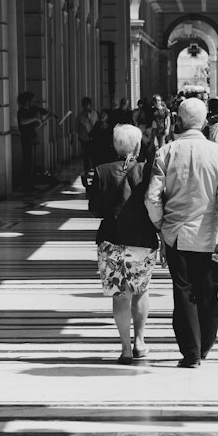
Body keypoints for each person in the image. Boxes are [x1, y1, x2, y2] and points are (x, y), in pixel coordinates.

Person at [144, 95, 218, 368]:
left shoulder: (165, 152)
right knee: (208, 292)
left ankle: (191, 353)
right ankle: (205, 345)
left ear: (180, 121)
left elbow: (152, 198)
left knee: (183, 292)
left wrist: (160, 226)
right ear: (205, 121)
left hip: (176, 234)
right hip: (208, 235)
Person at [89, 122, 159, 364]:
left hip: (111, 239)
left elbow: (96, 210)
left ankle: (126, 348)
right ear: (138, 145)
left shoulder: (101, 171)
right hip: (142, 238)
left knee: (119, 295)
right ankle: (140, 342)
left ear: (114, 145)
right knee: (140, 291)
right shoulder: (147, 170)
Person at [17, 91, 43, 191]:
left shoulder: (31, 111)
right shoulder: (22, 111)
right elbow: (23, 121)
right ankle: (27, 185)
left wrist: (40, 121)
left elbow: (36, 124)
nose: (33, 102)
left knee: (32, 162)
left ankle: (30, 183)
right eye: (32, 100)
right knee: (28, 161)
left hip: (33, 137)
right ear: (27, 101)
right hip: (26, 139)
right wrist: (34, 119)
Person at [77, 97, 99, 174]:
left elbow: (95, 124)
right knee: (86, 156)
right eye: (84, 105)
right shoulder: (80, 115)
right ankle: (86, 171)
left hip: (93, 137)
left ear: (90, 105)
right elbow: (77, 126)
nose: (86, 107)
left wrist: (89, 117)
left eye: (87, 105)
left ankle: (95, 170)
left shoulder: (94, 113)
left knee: (94, 155)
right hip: (84, 137)